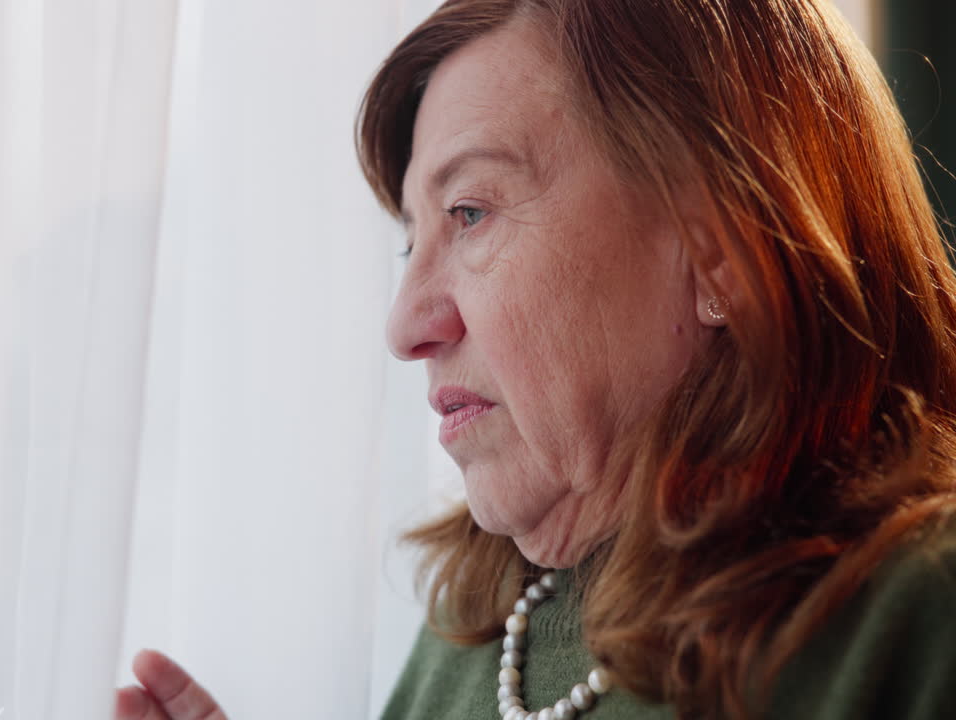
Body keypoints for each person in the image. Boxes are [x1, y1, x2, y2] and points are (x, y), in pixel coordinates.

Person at [114, 0, 956, 718]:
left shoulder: (919, 615)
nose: (406, 324)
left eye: (470, 212)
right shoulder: (472, 633)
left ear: (720, 252)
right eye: (412, 244)